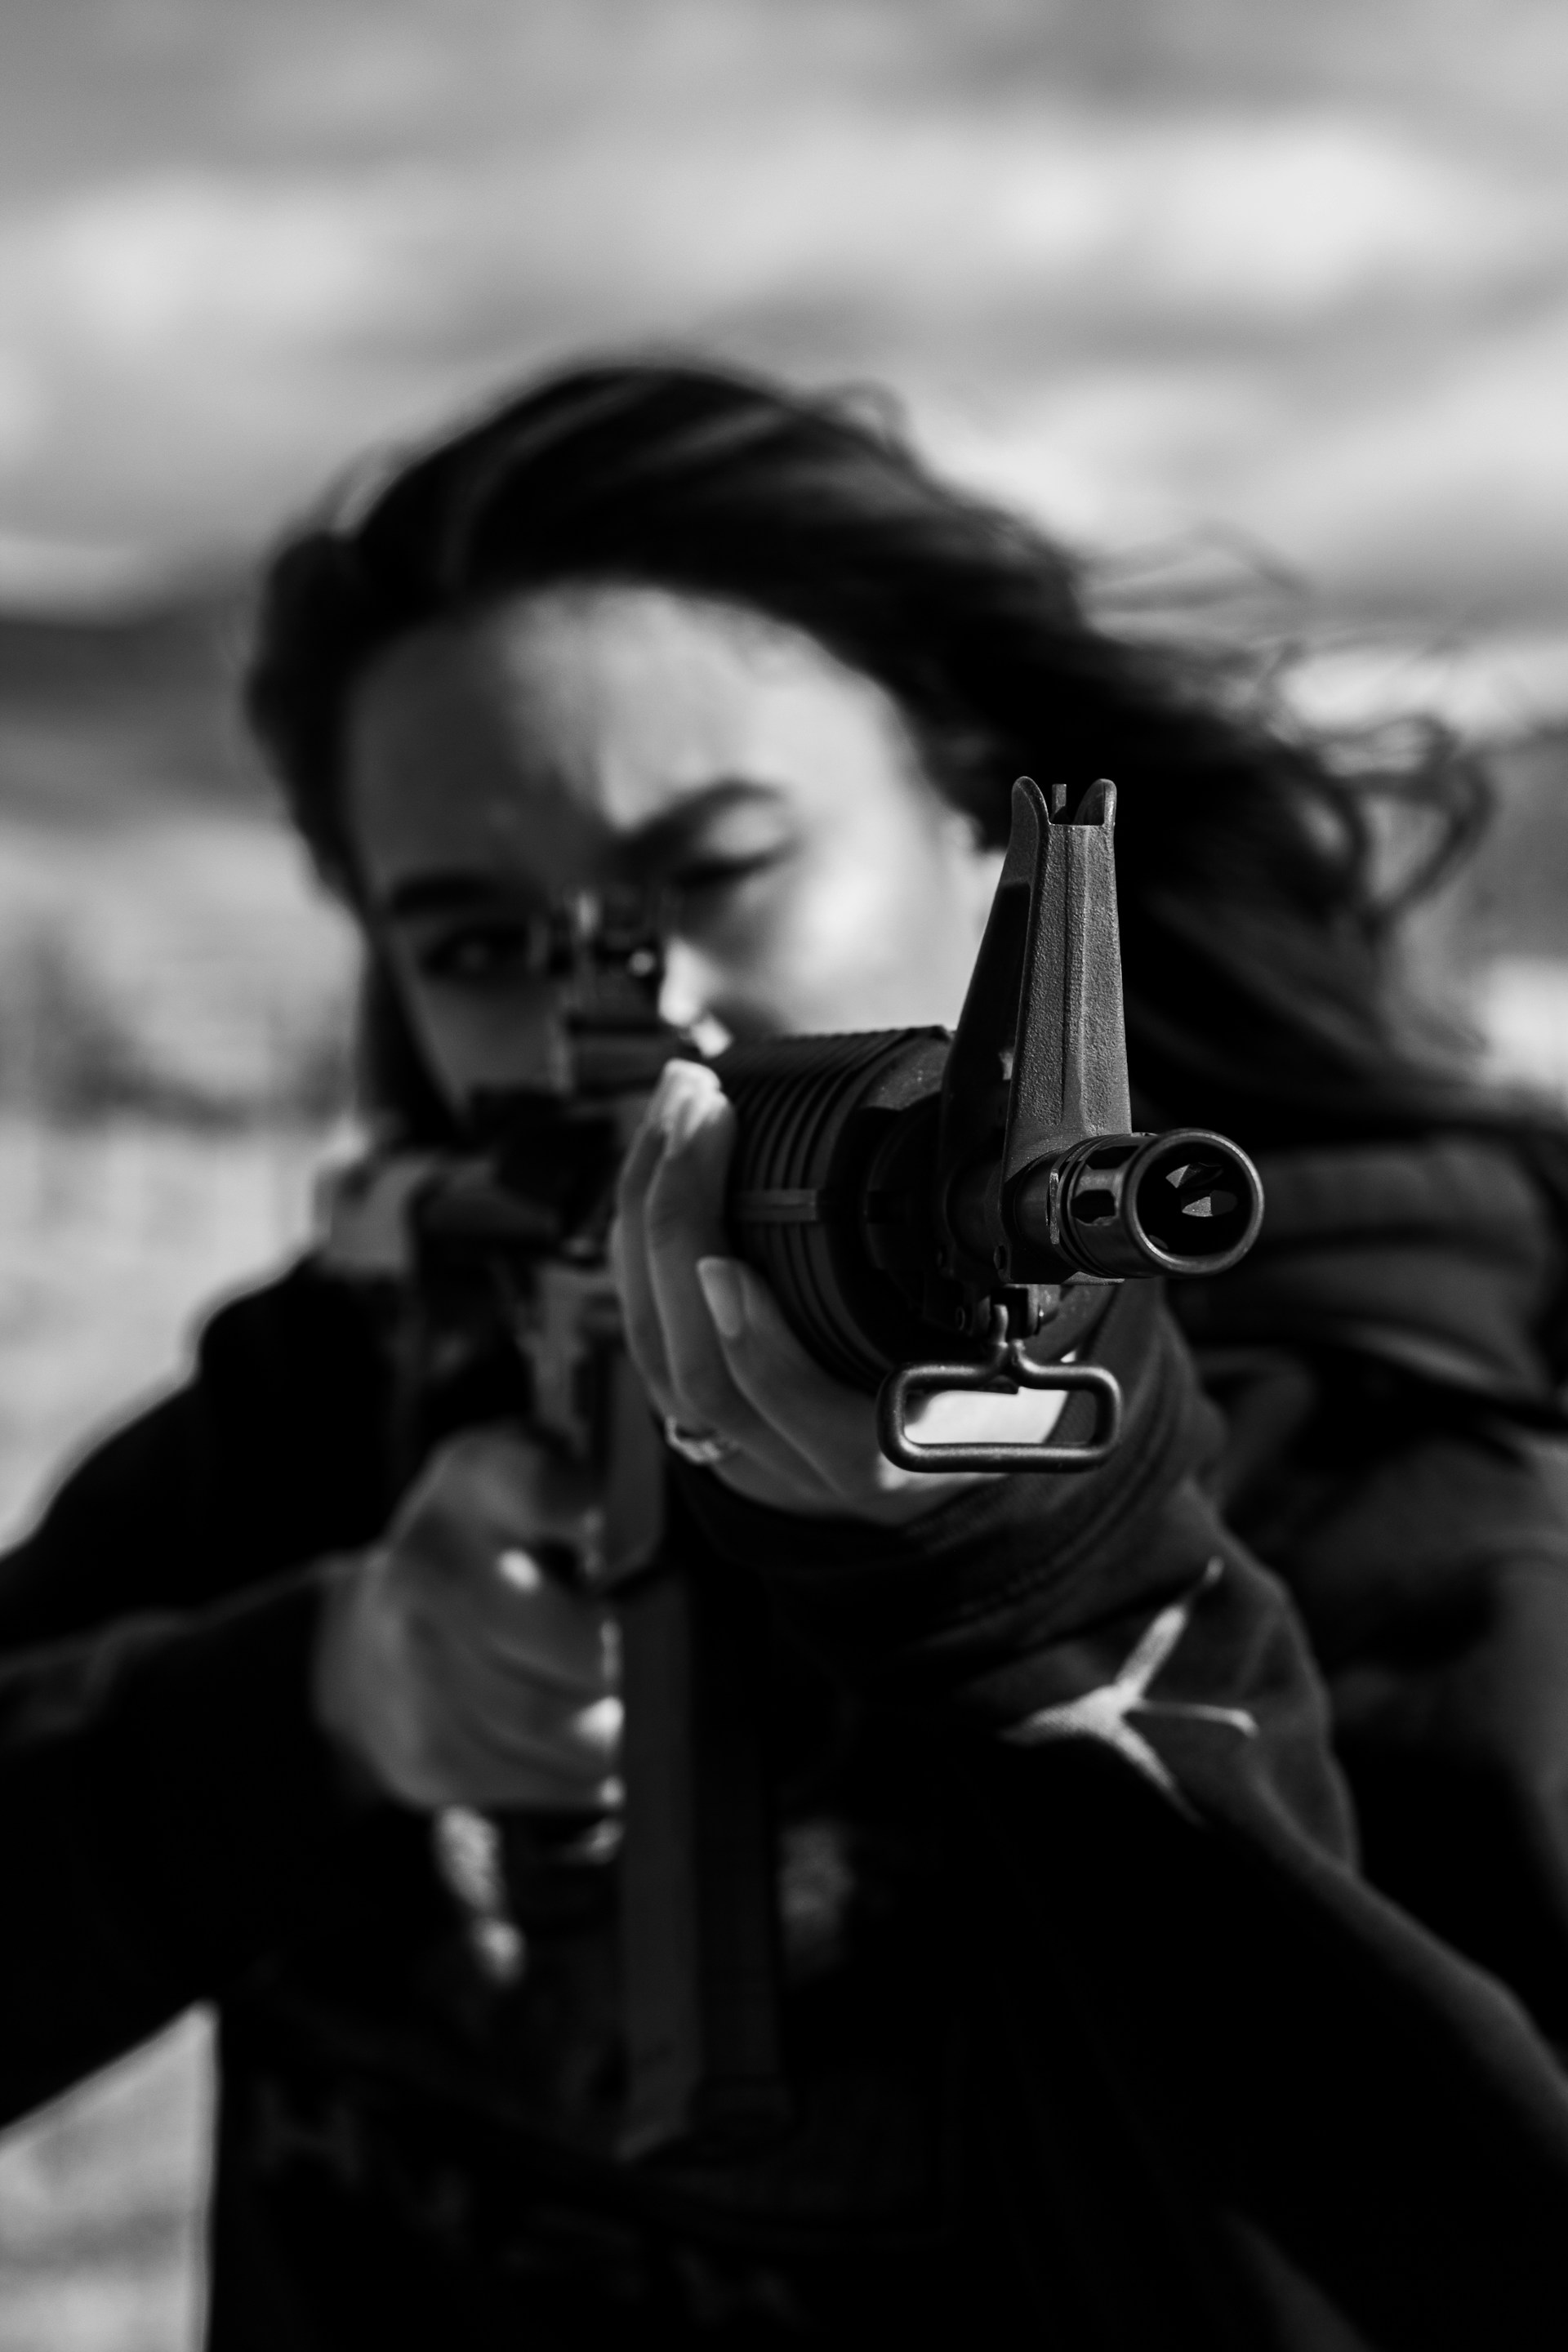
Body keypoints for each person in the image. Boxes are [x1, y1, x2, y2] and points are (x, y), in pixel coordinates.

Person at [3, 359, 1568, 2348]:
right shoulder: (343, 1396)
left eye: (720, 869)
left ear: (989, 836)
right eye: (481, 941)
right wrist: (320, 1700)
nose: (654, 1012)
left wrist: (1054, 1614)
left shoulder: (1385, 1512)